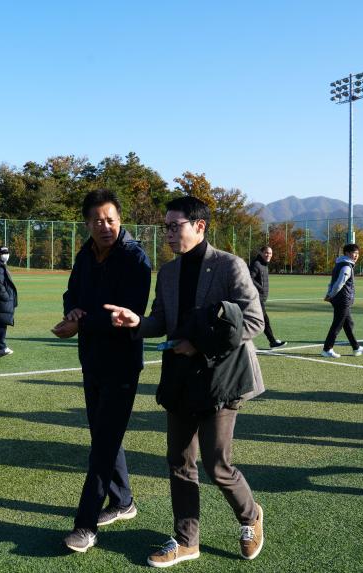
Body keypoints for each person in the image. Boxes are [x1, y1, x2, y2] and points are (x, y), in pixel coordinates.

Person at [104, 196, 266, 567]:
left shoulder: (229, 266)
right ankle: (186, 540)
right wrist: (137, 323)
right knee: (179, 460)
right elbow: (161, 320)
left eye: (174, 226)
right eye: (166, 227)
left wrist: (200, 344)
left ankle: (250, 515)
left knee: (216, 463)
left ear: (200, 226)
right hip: (181, 378)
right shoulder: (169, 273)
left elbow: (253, 321)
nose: (169, 234)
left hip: (222, 378)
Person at [52, 189, 152, 553]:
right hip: (90, 359)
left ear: (120, 220)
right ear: (87, 223)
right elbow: (71, 292)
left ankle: (85, 525)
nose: (104, 226)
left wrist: (82, 323)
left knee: (103, 445)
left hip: (122, 364)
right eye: (97, 220)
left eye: (110, 219)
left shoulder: (135, 258)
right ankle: (123, 502)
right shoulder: (85, 253)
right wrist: (73, 310)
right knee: (103, 436)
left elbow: (127, 315)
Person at [321, 244, 363, 358]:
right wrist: (331, 295)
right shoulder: (346, 266)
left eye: (358, 253)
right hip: (342, 300)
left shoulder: (339, 264)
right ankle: (327, 349)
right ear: (347, 253)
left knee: (348, 324)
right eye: (354, 253)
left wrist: (329, 293)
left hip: (341, 299)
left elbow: (332, 282)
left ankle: (356, 348)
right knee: (337, 325)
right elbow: (339, 283)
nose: (356, 256)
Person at [249, 246, 285, 348]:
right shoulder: (256, 264)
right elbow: (249, 278)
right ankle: (272, 341)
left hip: (259, 298)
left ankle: (272, 341)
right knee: (263, 320)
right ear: (261, 253)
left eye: (270, 253)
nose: (268, 255)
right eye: (266, 253)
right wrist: (260, 288)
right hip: (255, 297)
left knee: (260, 320)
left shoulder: (264, 264)